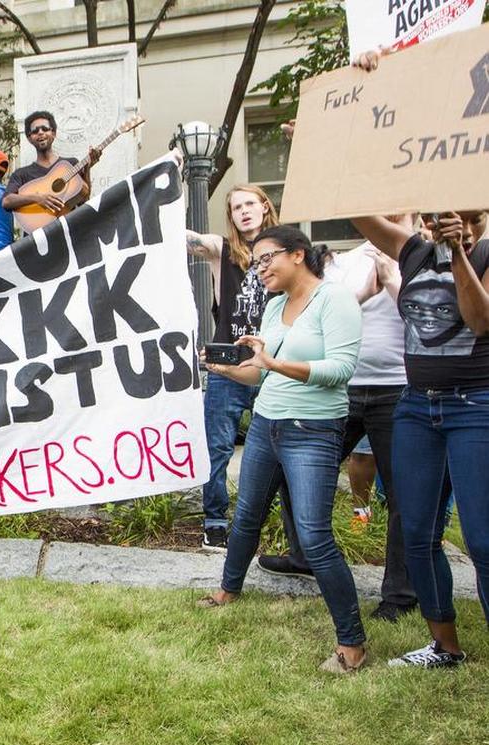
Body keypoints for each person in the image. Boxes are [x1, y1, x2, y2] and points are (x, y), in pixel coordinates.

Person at [197, 226, 367, 674]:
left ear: (297, 254)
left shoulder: (335, 300)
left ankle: (351, 642)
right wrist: (223, 369)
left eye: (267, 258)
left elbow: (340, 369)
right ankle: (227, 591)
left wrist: (272, 362)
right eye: (256, 262)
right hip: (266, 425)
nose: (261, 268)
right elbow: (262, 375)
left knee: (313, 535)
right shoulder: (273, 307)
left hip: (312, 430)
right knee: (247, 513)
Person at [255, 225, 418, 622]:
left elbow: (427, 319)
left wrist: (395, 280)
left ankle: (399, 594)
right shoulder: (342, 262)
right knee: (289, 471)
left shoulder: (419, 256)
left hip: (394, 386)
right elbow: (332, 311)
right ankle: (304, 555)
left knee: (401, 494)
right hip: (333, 393)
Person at [350, 208, 489, 667]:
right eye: (445, 215)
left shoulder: (485, 252)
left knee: (482, 538)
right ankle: (444, 645)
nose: (456, 221)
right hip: (415, 406)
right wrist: (328, 149)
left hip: (474, 406)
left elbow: (480, 320)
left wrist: (459, 256)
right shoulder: (413, 251)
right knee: (417, 532)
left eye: (470, 216)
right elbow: (360, 215)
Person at [186, 184, 280, 551]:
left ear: (264, 207)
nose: (243, 211)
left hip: (274, 362)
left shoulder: (286, 251)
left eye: (249, 204)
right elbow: (189, 239)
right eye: (236, 207)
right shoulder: (223, 251)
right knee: (218, 446)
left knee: (279, 445)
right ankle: (215, 522)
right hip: (229, 364)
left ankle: (265, 522)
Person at [1, 111, 100, 218]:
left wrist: (87, 169)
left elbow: (84, 200)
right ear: (29, 138)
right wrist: (38, 198)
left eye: (45, 129)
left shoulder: (70, 164)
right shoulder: (21, 174)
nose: (40, 132)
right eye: (35, 131)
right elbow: (6, 201)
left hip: (67, 231)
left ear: (54, 133)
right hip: (38, 232)